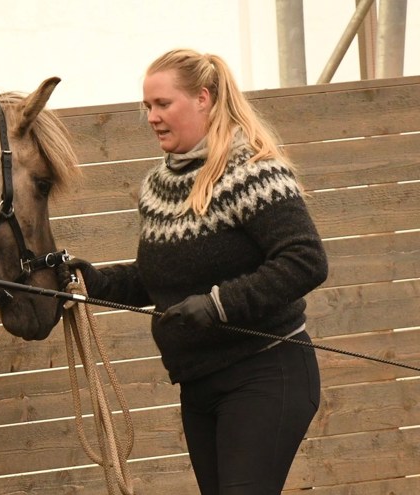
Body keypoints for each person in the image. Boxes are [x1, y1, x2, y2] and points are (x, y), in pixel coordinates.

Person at [61, 48, 328, 494]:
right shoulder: (157, 187)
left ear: (202, 98)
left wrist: (219, 305)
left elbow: (305, 260)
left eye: (163, 104)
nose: (152, 117)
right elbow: (157, 278)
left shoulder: (253, 172)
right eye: (147, 106)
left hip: (267, 372)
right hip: (200, 385)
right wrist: (91, 281)